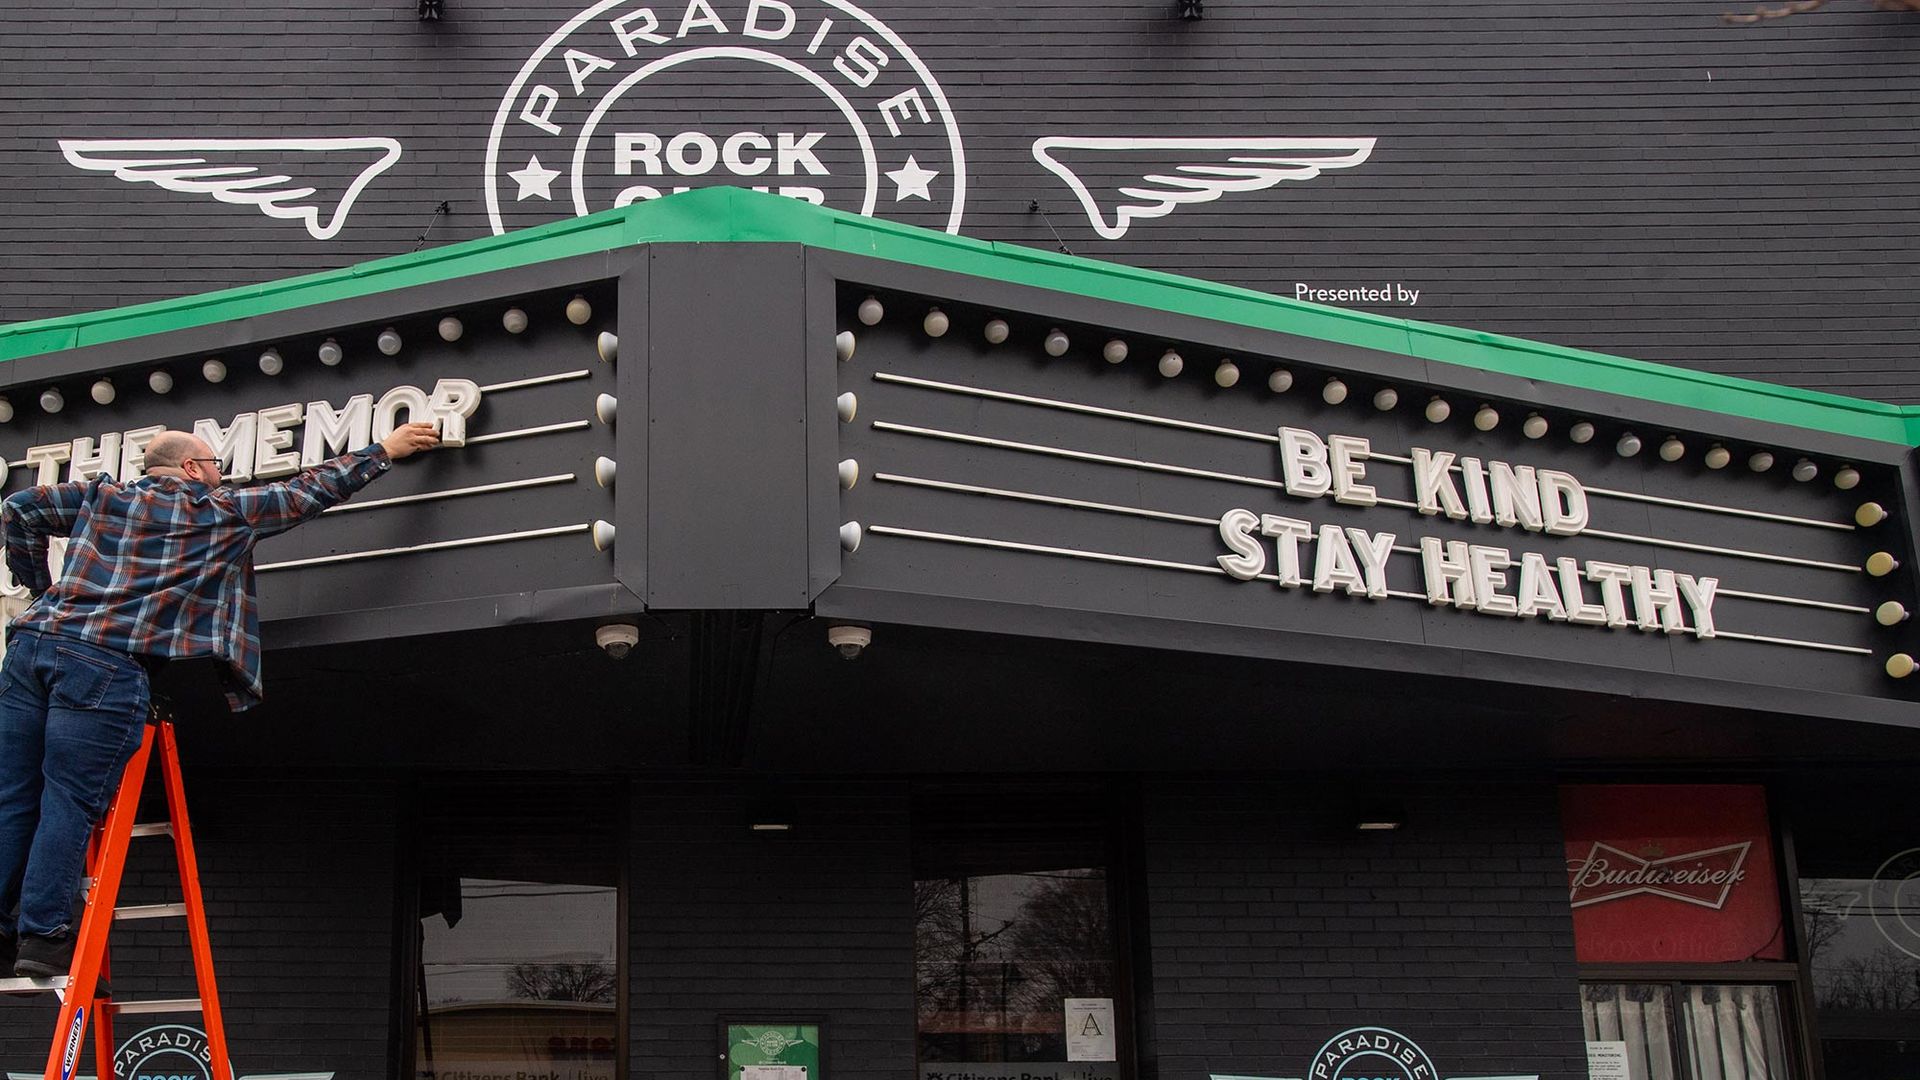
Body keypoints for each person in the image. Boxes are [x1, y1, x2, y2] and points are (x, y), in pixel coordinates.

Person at [0, 421, 441, 979]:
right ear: (190, 468)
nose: (218, 475)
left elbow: (18, 508)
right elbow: (306, 493)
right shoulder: (217, 512)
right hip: (105, 663)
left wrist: (40, 588)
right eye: (215, 466)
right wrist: (384, 451)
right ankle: (43, 937)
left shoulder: (99, 496)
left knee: (14, 798)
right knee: (68, 800)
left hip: (32, 649)